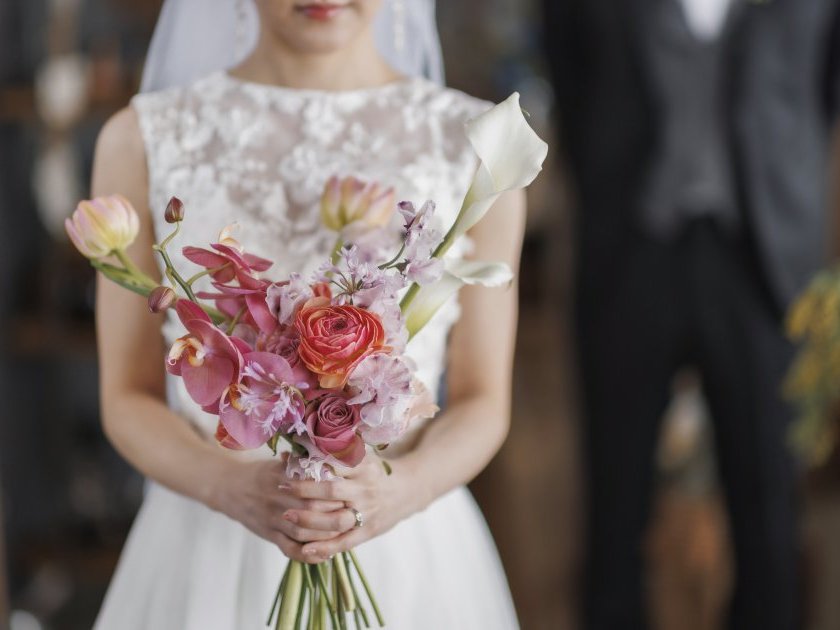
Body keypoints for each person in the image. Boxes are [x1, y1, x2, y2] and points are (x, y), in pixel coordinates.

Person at [91, 1, 524, 628]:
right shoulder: (142, 138)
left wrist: (399, 491)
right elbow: (126, 397)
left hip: (404, 546)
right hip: (205, 549)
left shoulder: (478, 145)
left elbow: (485, 401)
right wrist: (229, 486)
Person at [543, 0, 840, 629]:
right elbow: (568, 76)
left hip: (763, 259)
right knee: (614, 504)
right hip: (631, 250)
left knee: (768, 513)